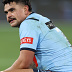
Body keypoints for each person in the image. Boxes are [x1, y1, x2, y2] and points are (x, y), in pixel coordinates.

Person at [1, 0, 72, 72]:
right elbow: (31, 64)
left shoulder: (28, 24)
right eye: (6, 12)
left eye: (12, 10)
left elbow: (24, 63)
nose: (9, 15)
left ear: (25, 9)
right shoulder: (39, 19)